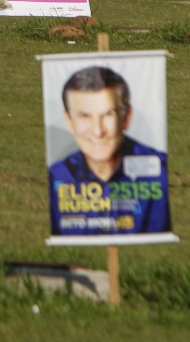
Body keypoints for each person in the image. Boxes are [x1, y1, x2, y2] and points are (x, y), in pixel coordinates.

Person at [49, 67, 170, 235]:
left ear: (126, 117)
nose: (98, 131)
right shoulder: (55, 178)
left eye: (108, 114)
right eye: (84, 116)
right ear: (68, 121)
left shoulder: (161, 172)